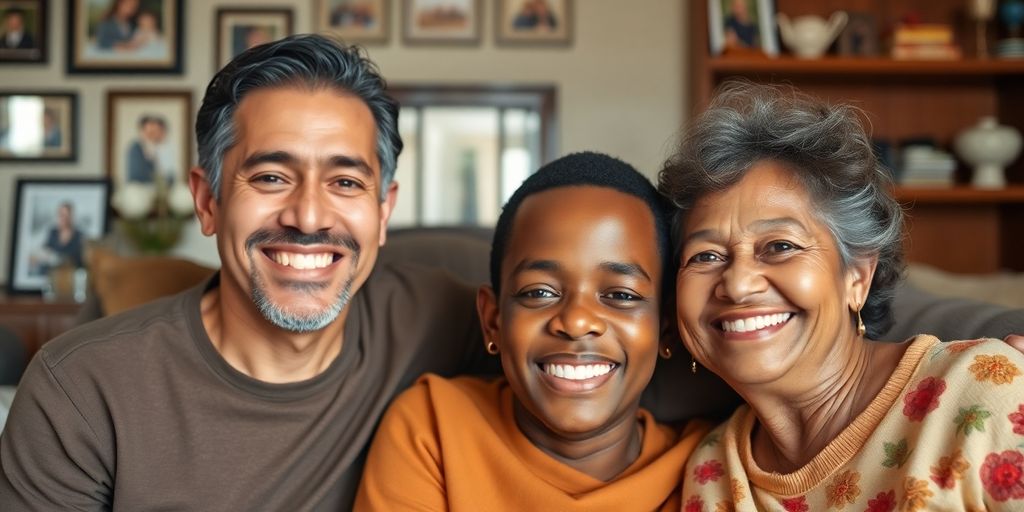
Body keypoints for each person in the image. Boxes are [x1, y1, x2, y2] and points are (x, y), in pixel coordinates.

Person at [0, 34, 497, 510]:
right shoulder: (81, 388)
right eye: (271, 177)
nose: (308, 216)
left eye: (345, 181)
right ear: (207, 200)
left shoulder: (439, 316)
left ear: (384, 211)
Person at [661, 82, 1024, 510]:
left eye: (780, 246)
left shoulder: (986, 392)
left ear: (857, 276)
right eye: (705, 255)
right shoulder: (713, 471)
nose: (738, 284)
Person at [356, 152, 710, 510]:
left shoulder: (706, 467)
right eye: (539, 292)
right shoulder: (433, 428)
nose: (576, 322)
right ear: (493, 321)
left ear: (666, 329)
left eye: (620, 295)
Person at [29, 201, 85, 275]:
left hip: (68, 275)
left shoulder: (79, 235)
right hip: (51, 274)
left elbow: (80, 260)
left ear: (71, 216)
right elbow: (45, 249)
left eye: (67, 215)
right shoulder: (53, 232)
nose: (64, 218)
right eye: (61, 215)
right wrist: (38, 256)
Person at [125, 114, 168, 183]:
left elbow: (169, 176)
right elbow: (136, 175)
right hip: (139, 187)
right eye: (149, 132)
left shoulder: (161, 149)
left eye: (155, 131)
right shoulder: (135, 148)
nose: (153, 135)